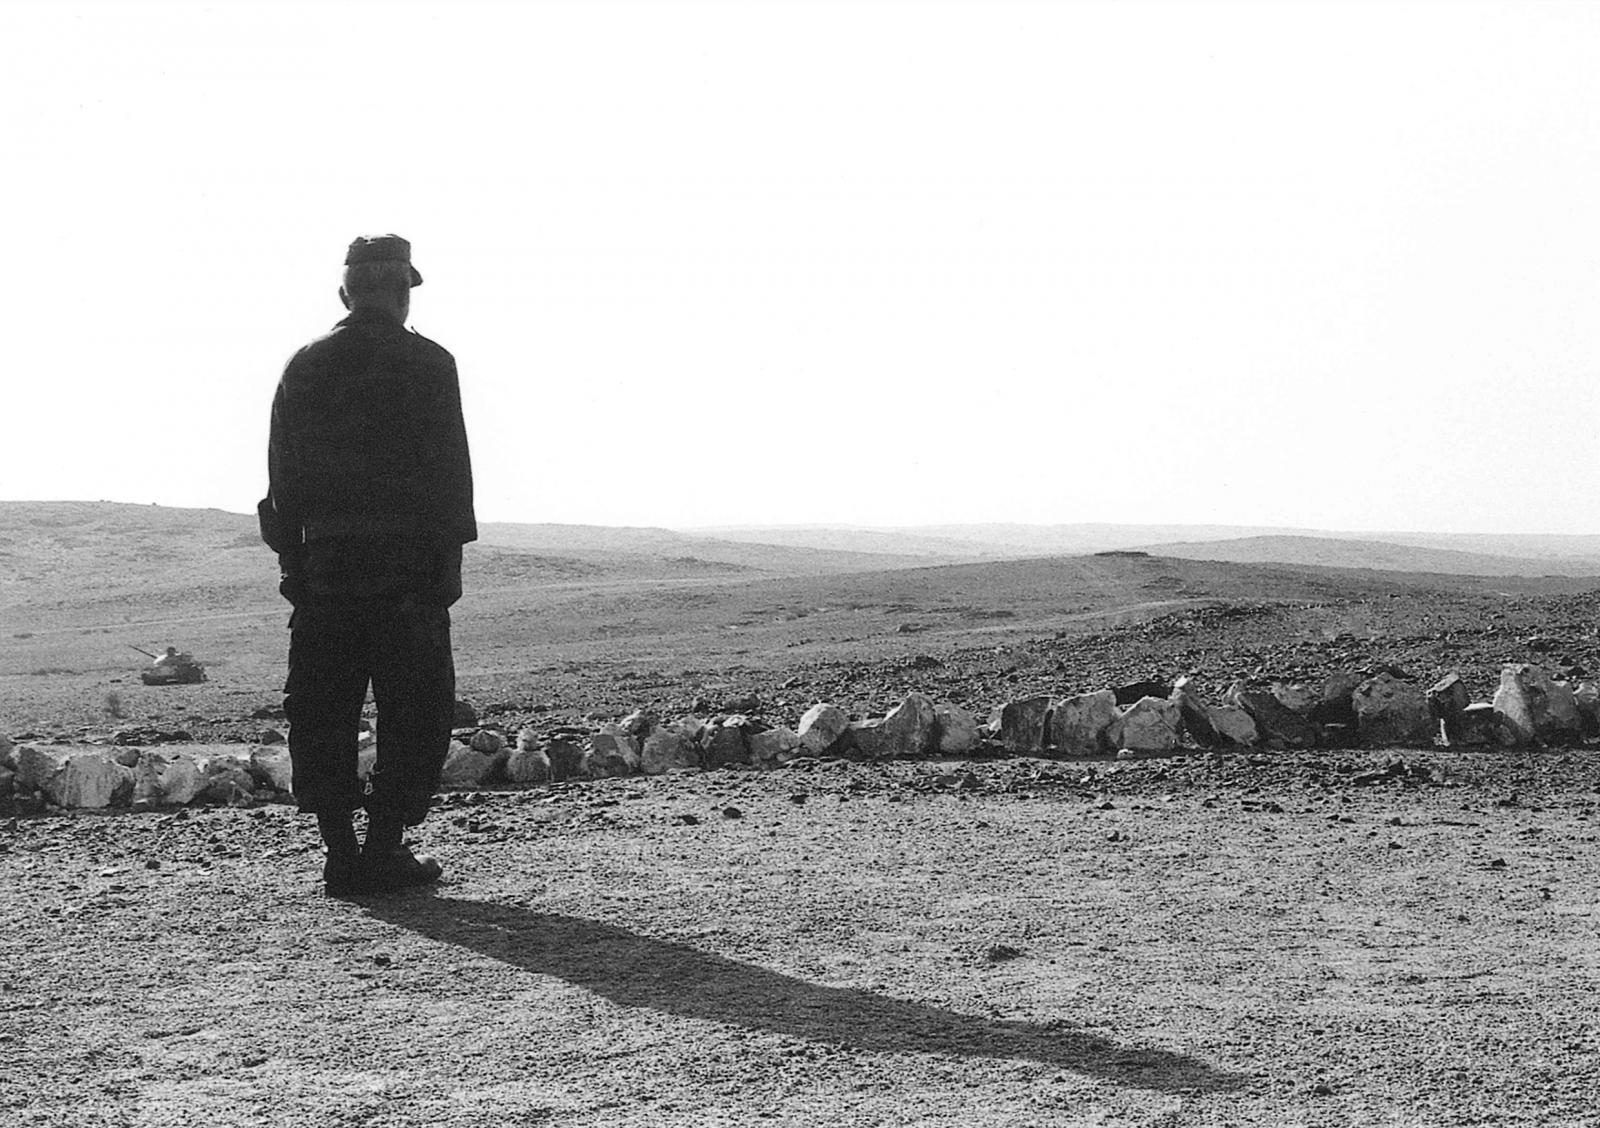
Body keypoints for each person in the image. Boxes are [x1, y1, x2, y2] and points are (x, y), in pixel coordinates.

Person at [258, 234, 476, 896]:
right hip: (410, 574)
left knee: (323, 711)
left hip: (328, 572)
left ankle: (339, 854)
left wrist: (297, 566)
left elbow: (281, 484)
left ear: (345, 292)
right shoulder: (431, 363)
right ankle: (384, 850)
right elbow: (451, 480)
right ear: (403, 293)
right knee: (417, 712)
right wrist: (446, 571)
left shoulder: (306, 366)